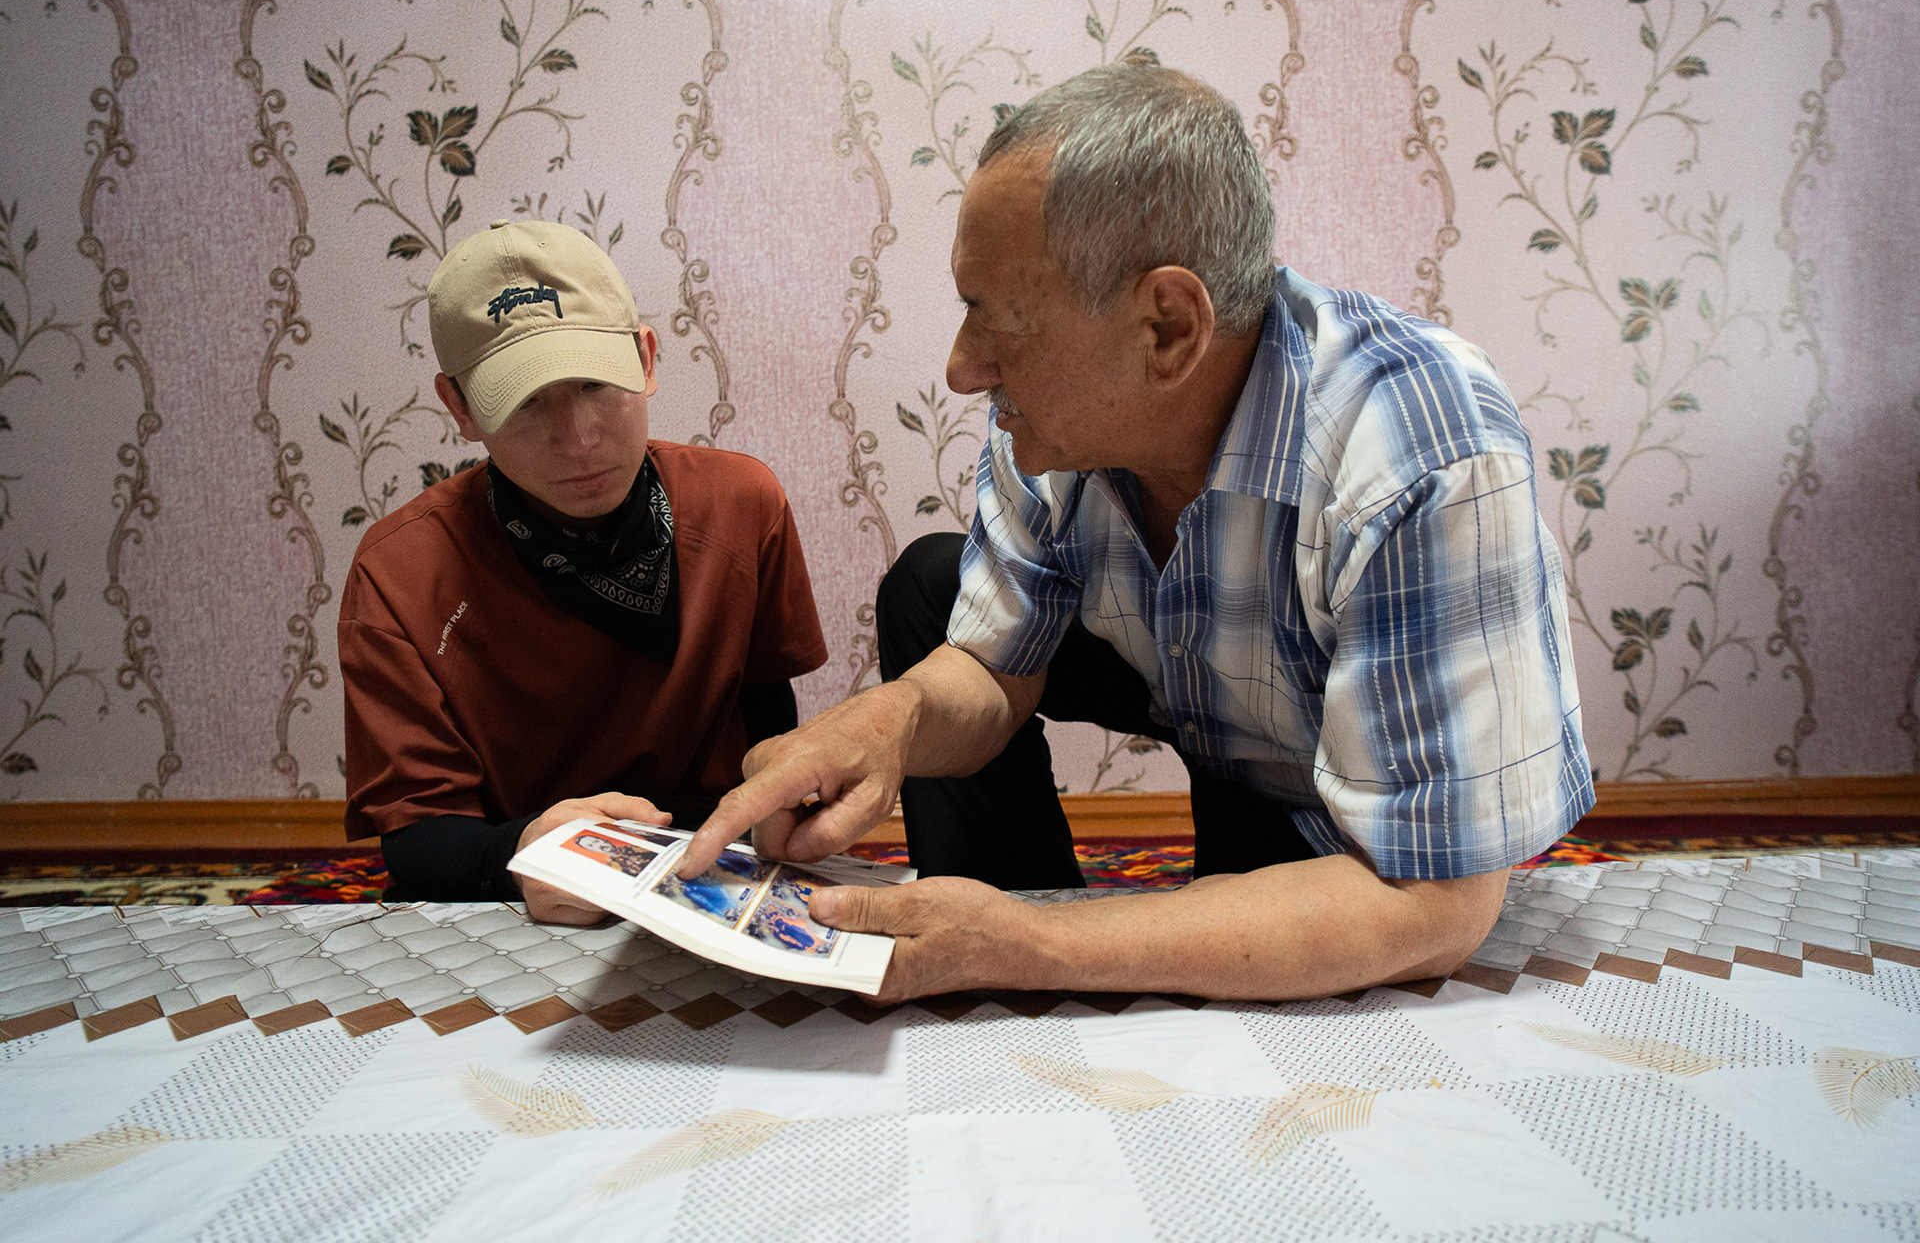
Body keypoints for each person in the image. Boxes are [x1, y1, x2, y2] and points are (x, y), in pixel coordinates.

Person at [678, 62, 1593, 1002]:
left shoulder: (1423, 454)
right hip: (1217, 702)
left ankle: (1004, 942)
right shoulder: (1055, 427)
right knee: (933, 583)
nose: (961, 369)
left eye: (997, 323)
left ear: (1166, 329)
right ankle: (980, 927)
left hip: (1331, 780)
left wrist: (1045, 944)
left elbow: (1433, 906)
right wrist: (886, 725)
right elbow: (996, 666)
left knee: (1295, 937)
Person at [340, 219, 828, 922]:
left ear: (646, 358)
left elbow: (765, 715)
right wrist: (518, 856)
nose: (578, 438)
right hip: (520, 881)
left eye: (596, 384)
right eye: (525, 400)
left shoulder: (742, 506)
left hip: (710, 865)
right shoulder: (399, 574)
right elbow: (418, 840)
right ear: (460, 407)